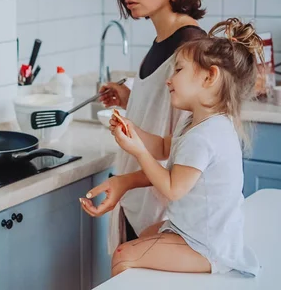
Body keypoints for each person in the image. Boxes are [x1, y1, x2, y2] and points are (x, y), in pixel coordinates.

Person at [81, 0, 208, 252]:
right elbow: (168, 115)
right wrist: (132, 99)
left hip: (163, 219)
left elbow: (179, 151)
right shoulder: (164, 40)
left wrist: (125, 184)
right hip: (140, 206)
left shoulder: (192, 52)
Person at [104, 18, 262, 277]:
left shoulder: (207, 136)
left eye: (178, 70)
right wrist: (132, 131)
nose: (169, 80)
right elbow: (165, 146)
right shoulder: (194, 122)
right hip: (190, 231)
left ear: (209, 76)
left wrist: (137, 150)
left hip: (207, 246)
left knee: (123, 256)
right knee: (143, 236)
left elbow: (173, 188)